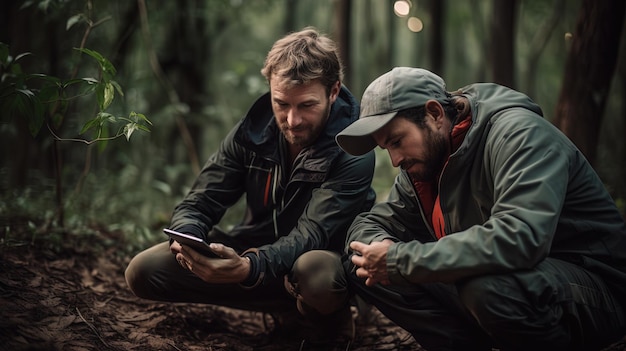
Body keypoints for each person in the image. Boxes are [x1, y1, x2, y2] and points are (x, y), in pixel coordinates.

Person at [334, 66, 626, 351]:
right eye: (387, 148)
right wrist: (380, 248)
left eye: (397, 141)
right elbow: (372, 222)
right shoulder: (427, 163)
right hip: (516, 282)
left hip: (595, 292)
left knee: (488, 286)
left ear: (434, 114)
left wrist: (400, 259)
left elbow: (520, 239)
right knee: (361, 263)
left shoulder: (519, 135)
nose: (395, 160)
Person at [125, 27, 376, 346]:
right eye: (281, 103)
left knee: (316, 274)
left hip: (319, 263)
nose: (292, 120)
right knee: (144, 271)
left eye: (307, 106)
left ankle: (330, 315)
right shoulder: (252, 132)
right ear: (270, 89)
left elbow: (312, 234)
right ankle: (287, 310)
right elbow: (200, 201)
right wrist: (190, 240)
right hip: (256, 254)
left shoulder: (354, 146)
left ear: (334, 91)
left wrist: (248, 267)